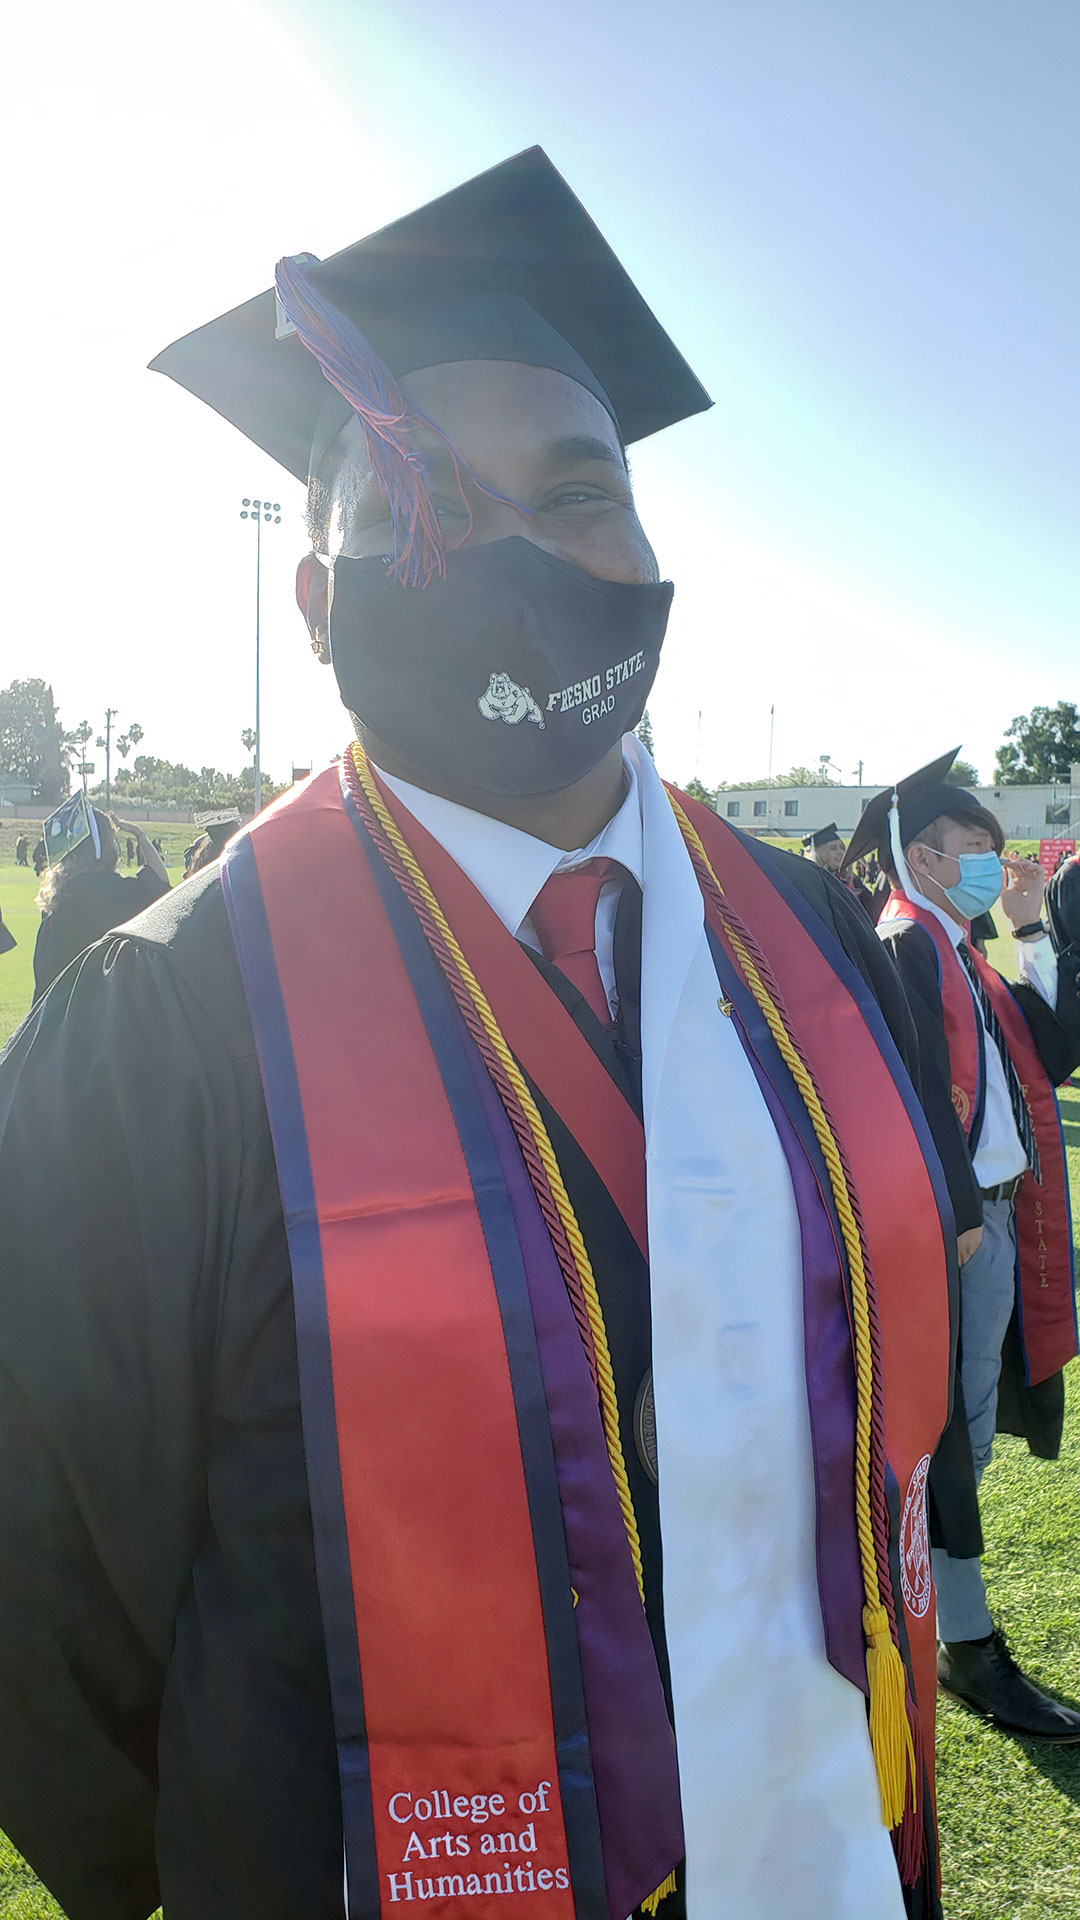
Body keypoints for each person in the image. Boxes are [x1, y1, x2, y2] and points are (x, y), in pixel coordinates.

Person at [0, 151, 968, 1920]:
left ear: (653, 556)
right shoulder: (167, 1023)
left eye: (580, 493)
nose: (526, 551)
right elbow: (52, 1596)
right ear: (317, 605)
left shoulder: (817, 936)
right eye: (430, 504)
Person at [843, 752, 1080, 1740]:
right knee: (942, 1435)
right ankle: (955, 1638)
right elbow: (904, 1090)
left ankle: (935, 1615)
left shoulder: (963, 952)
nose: (989, 861)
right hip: (958, 1225)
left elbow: (1056, 1050)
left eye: (993, 844)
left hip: (996, 1214)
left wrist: (1031, 928)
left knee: (965, 1431)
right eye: (970, 847)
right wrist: (953, 1215)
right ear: (921, 857)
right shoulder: (905, 944)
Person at [31, 798, 170, 1004]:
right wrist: (139, 834)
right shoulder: (113, 890)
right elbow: (159, 883)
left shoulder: (58, 896)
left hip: (58, 1013)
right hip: (101, 1012)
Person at [801, 822, 874, 915]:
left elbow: (871, 906)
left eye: (842, 847)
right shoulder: (816, 880)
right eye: (833, 848)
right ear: (822, 853)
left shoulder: (852, 879)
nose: (840, 852)